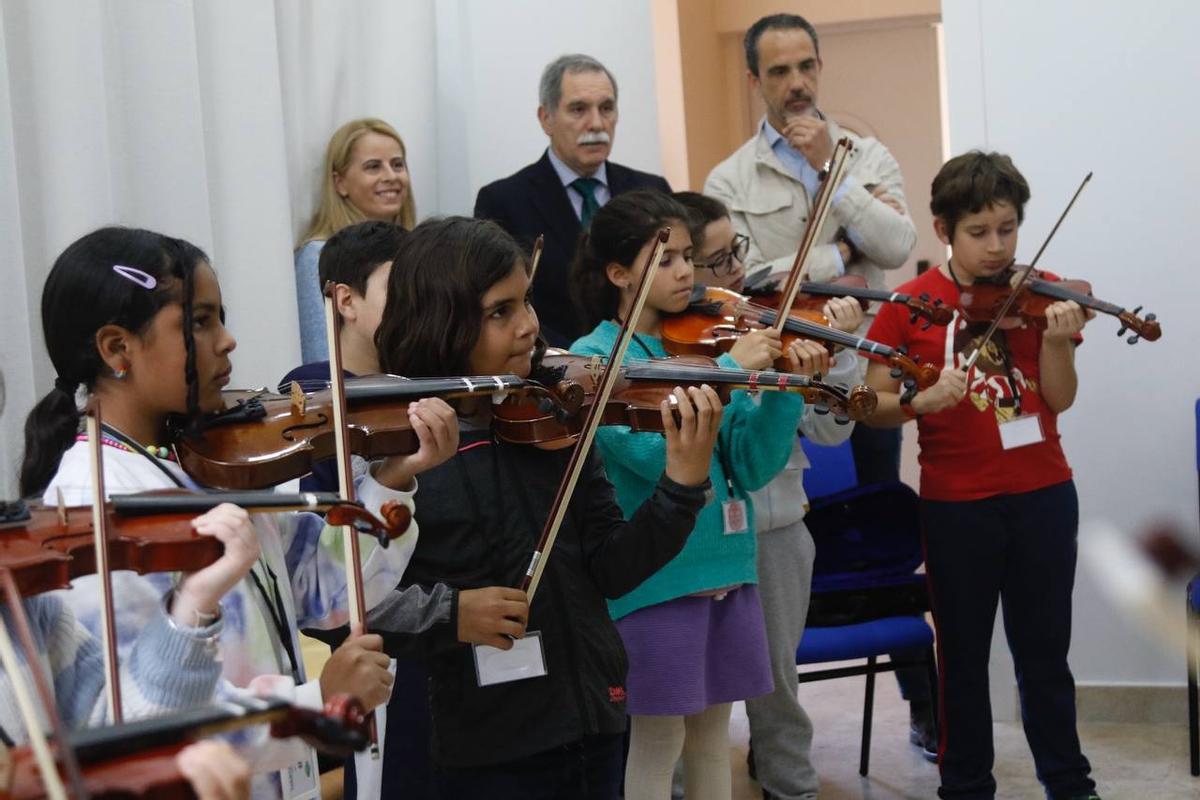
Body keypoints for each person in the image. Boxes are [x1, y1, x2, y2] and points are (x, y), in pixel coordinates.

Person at [19, 226, 450, 799]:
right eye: (199, 323)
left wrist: (393, 477)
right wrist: (312, 705)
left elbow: (326, 589)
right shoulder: (90, 502)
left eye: (220, 317)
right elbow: (131, 729)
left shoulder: (210, 460)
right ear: (117, 349)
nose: (227, 342)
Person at [369, 215, 723, 800]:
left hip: (593, 717)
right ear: (442, 320)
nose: (531, 326)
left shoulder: (554, 420)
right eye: (500, 312)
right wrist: (450, 614)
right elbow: (345, 608)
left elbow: (613, 567)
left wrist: (681, 487)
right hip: (481, 746)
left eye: (527, 301)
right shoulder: (397, 450)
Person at [703, 12, 935, 747]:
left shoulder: (863, 155)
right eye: (779, 71)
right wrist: (844, 258)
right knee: (783, 545)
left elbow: (897, 245)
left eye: (806, 66)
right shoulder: (729, 178)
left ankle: (923, 707)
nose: (797, 83)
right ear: (755, 81)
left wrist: (836, 173)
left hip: (860, 373)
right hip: (778, 383)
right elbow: (746, 283)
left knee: (878, 535)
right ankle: (783, 720)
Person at [864, 151, 1100, 800]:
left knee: (1045, 656)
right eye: (979, 232)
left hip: (1044, 495)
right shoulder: (908, 306)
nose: (997, 247)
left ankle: (1070, 784)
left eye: (1008, 228)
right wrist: (918, 403)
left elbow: (1059, 400)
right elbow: (873, 404)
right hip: (956, 506)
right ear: (943, 230)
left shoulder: (1043, 292)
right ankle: (965, 789)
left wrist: (1056, 343)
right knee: (962, 660)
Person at [570, 190, 810, 800]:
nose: (685, 272)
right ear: (619, 273)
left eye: (685, 256)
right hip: (657, 580)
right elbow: (657, 457)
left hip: (729, 567)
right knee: (657, 744)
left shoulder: (698, 345)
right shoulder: (595, 360)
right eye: (666, 259)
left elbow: (751, 465)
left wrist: (786, 388)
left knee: (711, 742)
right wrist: (726, 373)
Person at [675, 190, 862, 800]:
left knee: (778, 687)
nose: (736, 272)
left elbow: (832, 429)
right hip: (695, 543)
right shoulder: (677, 341)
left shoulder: (769, 324)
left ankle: (792, 788)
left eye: (738, 251)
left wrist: (837, 362)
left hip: (777, 532)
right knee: (688, 693)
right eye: (716, 259)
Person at [474, 54, 671, 347]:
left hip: (649, 358)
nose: (596, 123)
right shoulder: (503, 201)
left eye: (606, 108)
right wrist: (572, 359)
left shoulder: (652, 189)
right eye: (578, 109)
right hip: (556, 367)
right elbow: (501, 306)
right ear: (546, 119)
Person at [295, 118, 416, 362]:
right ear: (340, 183)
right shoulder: (316, 256)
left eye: (397, 164)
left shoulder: (417, 250)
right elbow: (321, 358)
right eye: (373, 167)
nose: (391, 176)